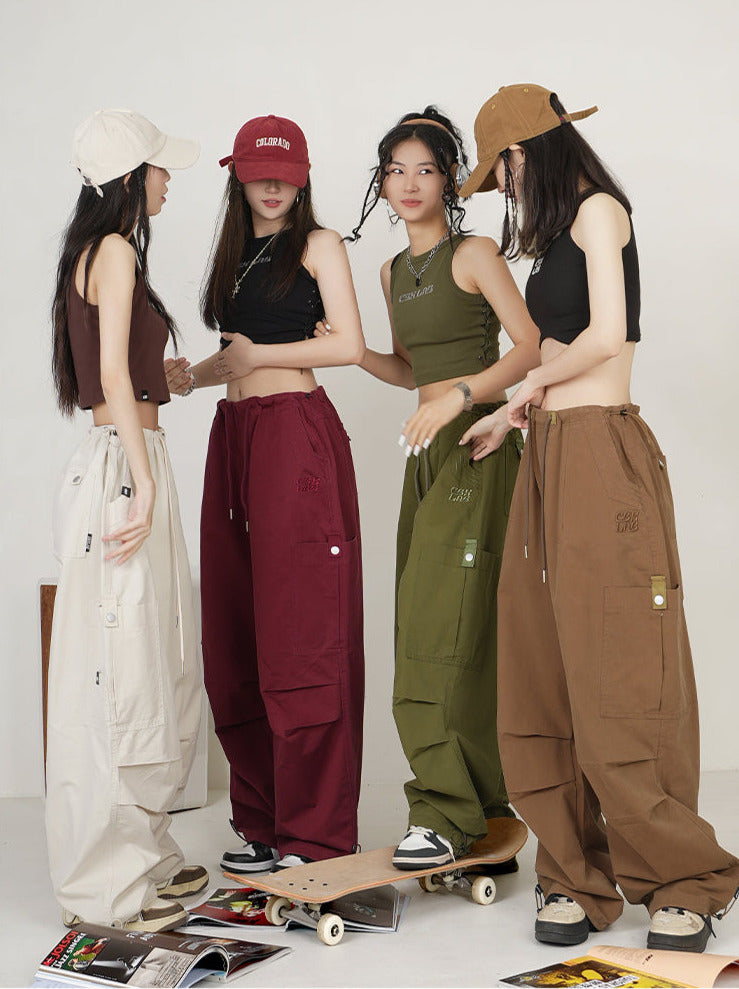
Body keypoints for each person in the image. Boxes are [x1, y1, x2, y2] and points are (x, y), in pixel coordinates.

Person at [460, 83, 739, 951]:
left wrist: (529, 388)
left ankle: (682, 880)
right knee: (541, 665)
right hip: (548, 452)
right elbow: (557, 348)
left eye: (500, 172)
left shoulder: (597, 212)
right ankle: (573, 874)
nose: (502, 188)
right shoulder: (554, 239)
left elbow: (608, 335)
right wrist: (513, 413)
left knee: (621, 670)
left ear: (521, 153)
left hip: (600, 455)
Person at [340, 106, 539, 869]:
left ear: (451, 179)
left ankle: (443, 811)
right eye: (396, 170)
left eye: (425, 168)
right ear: (381, 182)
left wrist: (460, 397)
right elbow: (409, 370)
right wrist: (353, 353)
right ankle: (482, 807)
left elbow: (529, 348)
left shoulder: (473, 252)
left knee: (443, 632)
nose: (409, 183)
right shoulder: (391, 272)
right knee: (439, 626)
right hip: (426, 454)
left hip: (477, 446)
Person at [169, 114, 365, 872]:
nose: (273, 186)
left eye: (285, 174)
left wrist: (257, 356)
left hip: (293, 433)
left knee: (301, 630)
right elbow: (237, 356)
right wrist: (191, 377)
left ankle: (314, 835)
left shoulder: (319, 244)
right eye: (259, 174)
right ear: (238, 178)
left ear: (303, 177)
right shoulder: (231, 255)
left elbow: (346, 344)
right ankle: (263, 820)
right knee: (236, 630)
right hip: (234, 432)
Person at [47, 109, 206, 932]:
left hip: (131, 456)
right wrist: (142, 485)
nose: (168, 179)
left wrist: (163, 377)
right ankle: (107, 890)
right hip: (124, 468)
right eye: (159, 167)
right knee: (125, 675)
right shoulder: (111, 249)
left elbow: (123, 370)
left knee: (158, 663)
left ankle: (147, 854)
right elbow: (109, 374)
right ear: (129, 179)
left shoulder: (101, 251)